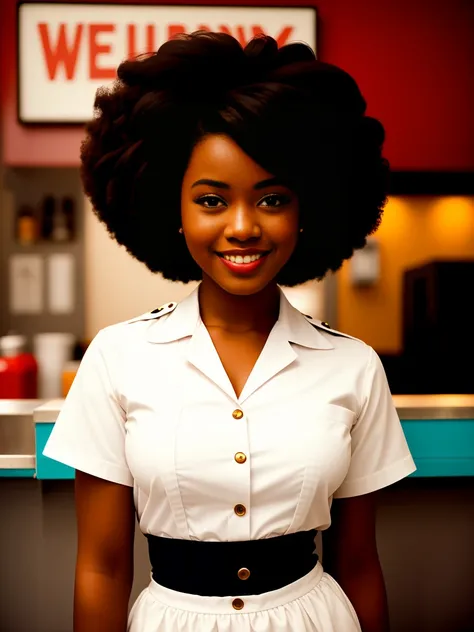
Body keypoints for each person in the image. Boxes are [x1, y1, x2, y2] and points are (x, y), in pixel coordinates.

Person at [43, 31, 416, 632]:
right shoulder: (117, 358)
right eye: (213, 201)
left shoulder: (354, 366)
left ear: (307, 212)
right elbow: (102, 569)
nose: (243, 227)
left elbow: (361, 564)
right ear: (174, 210)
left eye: (271, 199)